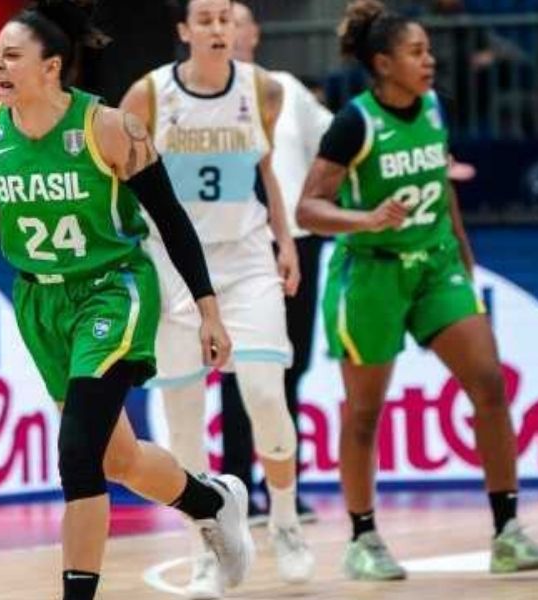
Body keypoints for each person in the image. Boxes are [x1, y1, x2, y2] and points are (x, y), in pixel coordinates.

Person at [0, 4, 252, 599]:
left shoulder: (110, 128)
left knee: (76, 454)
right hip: (41, 303)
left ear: (51, 67)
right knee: (118, 459)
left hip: (112, 291)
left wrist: (208, 311)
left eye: (12, 55)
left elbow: (171, 220)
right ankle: (211, 501)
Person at [297, 0, 538, 581]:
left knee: (489, 384)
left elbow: (441, 185)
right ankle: (363, 538)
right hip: (372, 273)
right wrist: (366, 219)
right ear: (383, 64)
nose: (429, 61)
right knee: (364, 412)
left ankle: (508, 533)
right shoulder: (355, 123)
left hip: (436, 264)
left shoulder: (436, 106)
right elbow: (308, 208)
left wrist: (464, 257)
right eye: (416, 52)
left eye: (429, 51)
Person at [120, 0, 315, 595]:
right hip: (174, 264)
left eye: (225, 19)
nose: (216, 29)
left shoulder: (263, 89)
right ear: (184, 31)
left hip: (246, 260)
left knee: (266, 395)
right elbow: (117, 177)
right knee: (184, 421)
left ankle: (284, 522)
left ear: (237, 29)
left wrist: (286, 241)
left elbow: (268, 172)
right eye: (204, 19)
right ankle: (204, 548)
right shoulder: (148, 96)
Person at [217, 0, 333, 528]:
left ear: (255, 34)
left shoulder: (286, 89)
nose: (226, 31)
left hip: (298, 244)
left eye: (235, 21)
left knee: (292, 365)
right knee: (240, 369)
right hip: (237, 248)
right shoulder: (196, 99)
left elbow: (335, 143)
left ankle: (285, 488)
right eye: (215, 21)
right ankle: (235, 488)